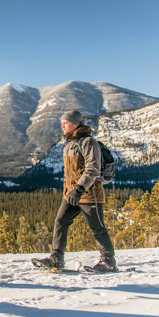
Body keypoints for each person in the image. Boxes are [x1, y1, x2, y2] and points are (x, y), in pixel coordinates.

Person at [37, 111, 117, 272]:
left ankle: (109, 261)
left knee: (97, 227)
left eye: (65, 123)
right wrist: (71, 191)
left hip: (88, 194)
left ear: (75, 124)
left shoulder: (88, 142)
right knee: (60, 222)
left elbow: (93, 169)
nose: (62, 126)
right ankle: (57, 258)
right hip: (71, 194)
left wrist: (79, 189)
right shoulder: (69, 144)